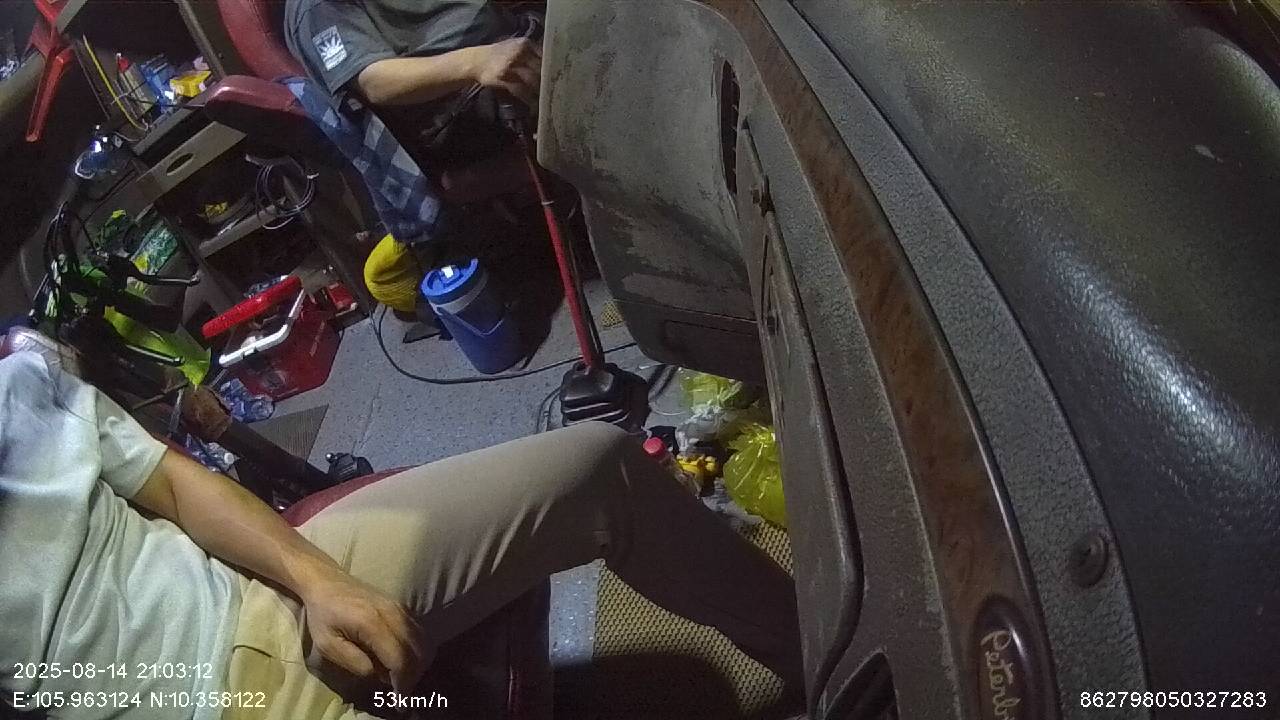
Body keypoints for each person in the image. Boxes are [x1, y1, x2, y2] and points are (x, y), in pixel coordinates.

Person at [0, 350, 801, 719]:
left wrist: (319, 581)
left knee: (598, 465)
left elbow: (173, 482)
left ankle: (817, 652)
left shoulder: (17, 386)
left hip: (260, 595)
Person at [284, 0, 543, 174]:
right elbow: (374, 81)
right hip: (458, 100)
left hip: (514, 35)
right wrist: (476, 62)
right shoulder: (314, 8)